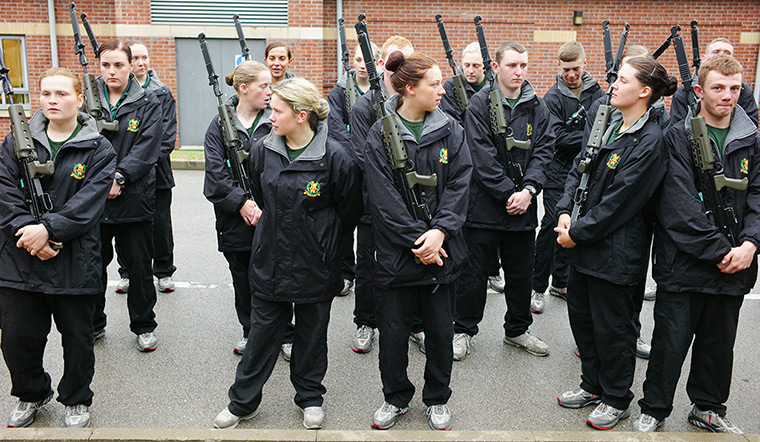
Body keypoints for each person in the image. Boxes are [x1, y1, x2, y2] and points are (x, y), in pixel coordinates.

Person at [214, 78, 362, 430]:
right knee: (262, 335)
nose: (270, 116)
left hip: (317, 263)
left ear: (301, 115)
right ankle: (242, 402)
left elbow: (349, 212)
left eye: (277, 111)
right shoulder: (265, 148)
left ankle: (310, 397)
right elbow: (261, 194)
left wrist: (323, 244)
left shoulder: (337, 157)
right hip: (270, 260)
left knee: (311, 336)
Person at [633, 55, 758, 434]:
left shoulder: (751, 138)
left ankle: (707, 407)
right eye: (718, 88)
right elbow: (677, 207)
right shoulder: (677, 137)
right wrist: (722, 251)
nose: (728, 96)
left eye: (735, 88)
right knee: (669, 343)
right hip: (684, 265)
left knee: (719, 346)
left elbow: (758, 197)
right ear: (700, 91)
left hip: (736, 263)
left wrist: (751, 245)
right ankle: (654, 408)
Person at [554, 57, 676, 430]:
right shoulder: (607, 122)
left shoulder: (651, 141)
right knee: (584, 323)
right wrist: (564, 210)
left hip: (617, 254)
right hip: (586, 248)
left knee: (614, 330)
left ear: (644, 91)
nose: (613, 85)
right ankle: (592, 386)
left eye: (622, 80)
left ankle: (616, 397)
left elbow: (621, 203)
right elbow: (580, 167)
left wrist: (576, 233)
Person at [0, 68, 116, 428]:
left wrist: (48, 231)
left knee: (78, 340)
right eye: (47, 93)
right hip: (19, 258)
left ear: (80, 100)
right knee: (18, 338)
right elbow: (5, 192)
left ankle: (77, 397)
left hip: (74, 260)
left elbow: (89, 205)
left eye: (62, 94)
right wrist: (28, 232)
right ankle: (32, 393)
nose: (53, 100)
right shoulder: (14, 142)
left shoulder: (99, 147)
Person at [363, 51, 472, 431]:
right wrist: (419, 241)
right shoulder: (379, 133)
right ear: (410, 88)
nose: (442, 90)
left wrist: (440, 232)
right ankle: (395, 397)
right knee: (392, 337)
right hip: (398, 257)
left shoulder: (451, 129)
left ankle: (437, 398)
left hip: (442, 254)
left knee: (441, 335)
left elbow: (460, 184)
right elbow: (382, 199)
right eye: (435, 83)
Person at [452, 41, 554, 361]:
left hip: (522, 209)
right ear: (495, 68)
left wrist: (529, 191)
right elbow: (480, 156)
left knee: (521, 273)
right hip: (483, 207)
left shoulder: (537, 107)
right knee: (473, 275)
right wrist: (508, 192)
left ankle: (517, 330)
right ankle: (463, 330)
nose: (519, 71)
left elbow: (544, 151)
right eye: (512, 65)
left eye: (523, 65)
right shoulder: (480, 104)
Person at [349, 36, 423, 354]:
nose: (401, 69)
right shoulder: (366, 105)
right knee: (368, 266)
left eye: (407, 62)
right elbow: (361, 158)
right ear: (381, 64)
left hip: (414, 204)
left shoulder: (418, 102)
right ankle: (366, 323)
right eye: (395, 62)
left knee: (415, 265)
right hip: (372, 205)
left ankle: (416, 325)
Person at [92, 39, 162, 352]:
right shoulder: (87, 100)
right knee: (92, 266)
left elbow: (148, 148)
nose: (112, 71)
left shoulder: (148, 101)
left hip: (134, 198)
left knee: (138, 267)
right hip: (93, 199)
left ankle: (144, 326)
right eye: (106, 65)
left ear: (131, 65)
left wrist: (120, 177)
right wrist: (100, 181)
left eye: (119, 65)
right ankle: (93, 324)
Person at [203, 60, 272, 355]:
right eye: (264, 86)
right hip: (235, 221)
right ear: (244, 89)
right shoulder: (219, 125)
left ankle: (284, 333)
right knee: (242, 278)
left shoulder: (276, 118)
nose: (270, 91)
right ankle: (250, 331)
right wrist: (241, 203)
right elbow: (215, 176)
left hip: (272, 215)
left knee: (275, 277)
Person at [531, 41, 603, 314]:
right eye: (566, 70)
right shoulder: (553, 97)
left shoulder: (597, 92)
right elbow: (557, 138)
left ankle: (560, 282)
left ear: (584, 64)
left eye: (575, 69)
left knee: (572, 227)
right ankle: (537, 287)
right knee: (551, 225)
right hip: (557, 171)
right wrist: (588, 136)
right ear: (559, 68)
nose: (571, 74)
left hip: (584, 172)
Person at [112, 40, 178, 294]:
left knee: (160, 225)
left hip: (157, 174)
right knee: (123, 226)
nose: (141, 63)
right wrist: (127, 169)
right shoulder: (116, 93)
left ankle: (163, 271)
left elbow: (165, 137)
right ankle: (126, 272)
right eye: (136, 58)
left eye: (145, 58)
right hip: (126, 176)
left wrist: (143, 161)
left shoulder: (162, 93)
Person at [327, 40, 380, 302]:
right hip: (349, 165)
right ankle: (346, 272)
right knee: (346, 223)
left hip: (374, 168)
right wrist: (355, 151)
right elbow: (335, 125)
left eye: (366, 60)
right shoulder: (339, 90)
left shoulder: (382, 91)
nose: (361, 65)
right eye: (357, 60)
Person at [669, 38, 758, 128]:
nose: (721, 56)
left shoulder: (744, 91)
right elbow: (676, 127)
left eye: (727, 53)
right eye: (716, 52)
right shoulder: (684, 91)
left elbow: (750, 125)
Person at [439, 41, 486, 125]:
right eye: (467, 65)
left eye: (476, 66)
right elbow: (452, 122)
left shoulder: (496, 86)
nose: (470, 71)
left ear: (485, 66)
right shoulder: (451, 86)